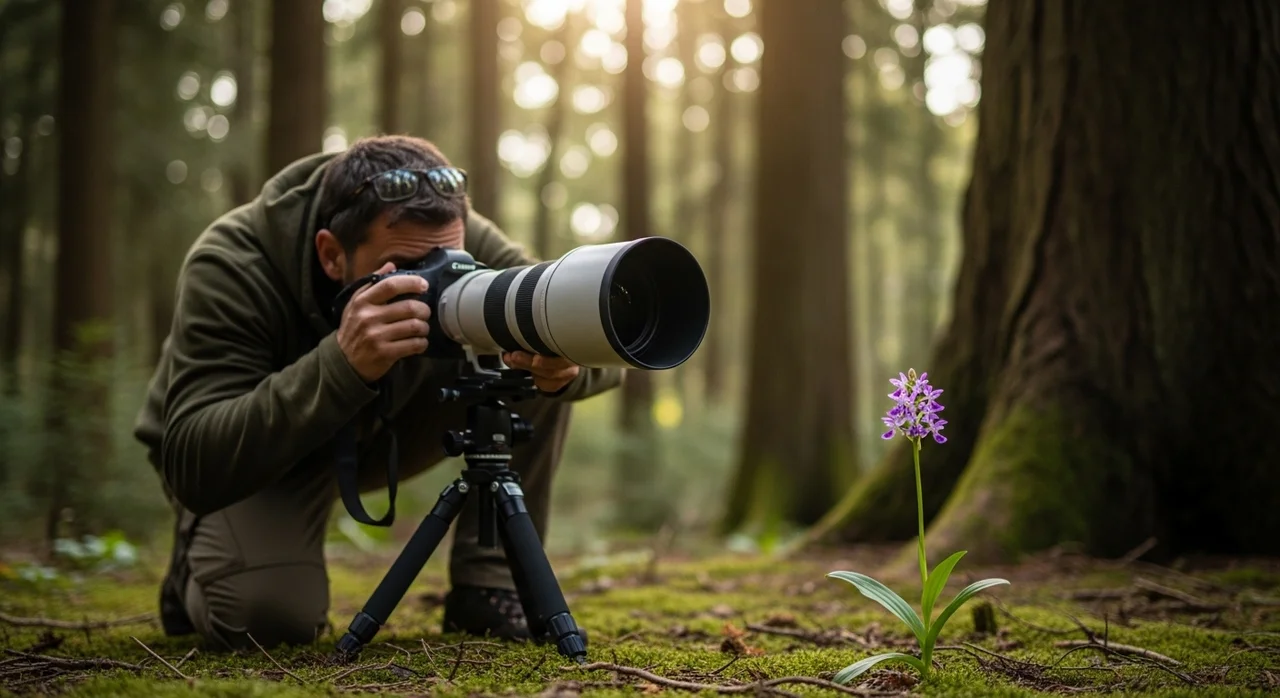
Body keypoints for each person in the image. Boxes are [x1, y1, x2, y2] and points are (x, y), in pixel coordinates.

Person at [132, 134, 623, 651]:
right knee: (266, 618)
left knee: (522, 340)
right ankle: (197, 564)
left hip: (393, 424)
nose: (436, 277)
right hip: (265, 449)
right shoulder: (234, 262)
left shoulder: (459, 233)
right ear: (330, 254)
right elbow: (191, 460)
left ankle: (489, 584)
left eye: (447, 258)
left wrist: (560, 364)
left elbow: (581, 333)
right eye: (408, 270)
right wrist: (342, 363)